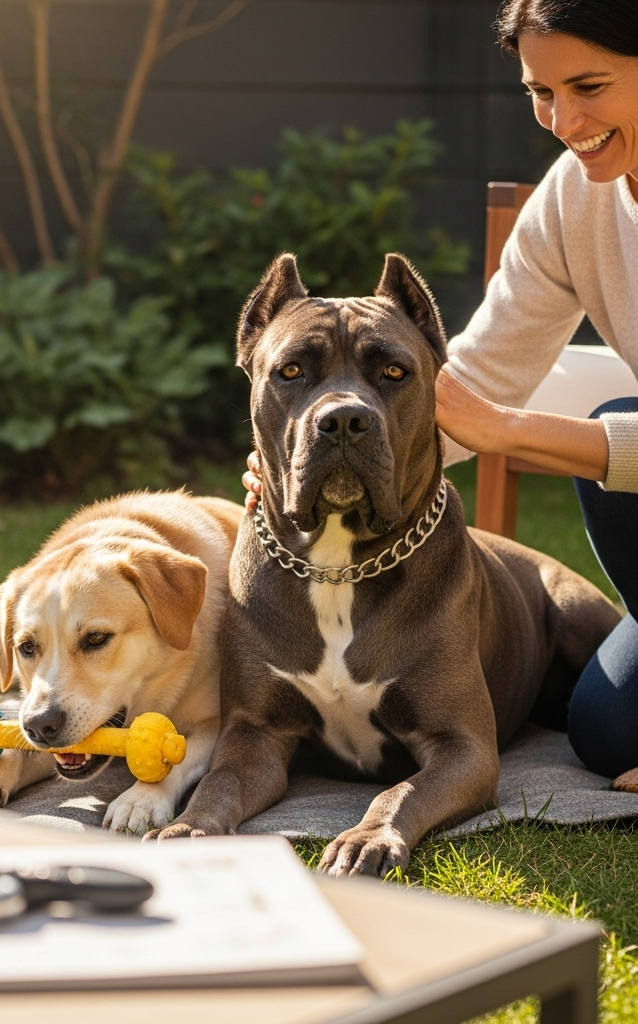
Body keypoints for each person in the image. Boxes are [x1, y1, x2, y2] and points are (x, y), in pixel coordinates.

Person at [241, 0, 638, 786]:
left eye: (589, 85)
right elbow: (470, 381)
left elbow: (484, 414)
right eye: (541, 91)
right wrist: (304, 458)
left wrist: (514, 431)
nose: (564, 120)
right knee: (609, 728)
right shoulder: (574, 199)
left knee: (613, 429)